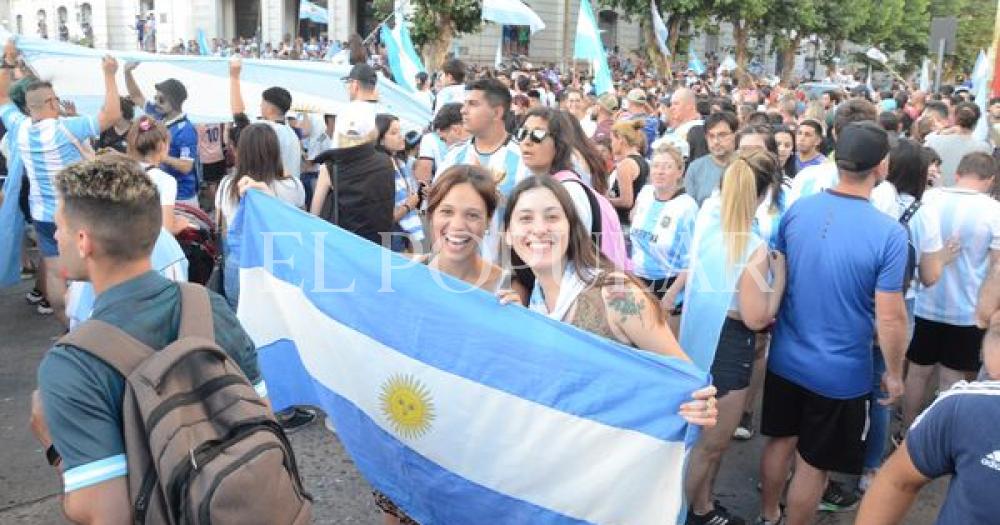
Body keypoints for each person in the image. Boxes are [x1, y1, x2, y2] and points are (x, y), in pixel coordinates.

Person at [30, 155, 264, 523]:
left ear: (82, 240)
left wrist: (52, 445)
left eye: (59, 227)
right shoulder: (210, 306)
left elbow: (107, 515)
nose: (54, 236)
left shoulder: (72, 365)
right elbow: (262, 416)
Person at [757, 122, 909, 525]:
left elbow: (779, 273)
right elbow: (891, 316)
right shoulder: (889, 234)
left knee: (779, 441)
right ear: (881, 166)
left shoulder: (799, 209)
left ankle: (768, 515)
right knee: (813, 465)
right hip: (840, 373)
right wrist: (894, 374)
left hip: (786, 356)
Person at [497, 175, 718, 423]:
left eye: (552, 217)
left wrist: (703, 404)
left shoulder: (616, 293)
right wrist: (518, 326)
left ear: (571, 227)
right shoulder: (533, 302)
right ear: (507, 234)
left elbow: (687, 379)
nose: (539, 229)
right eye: (526, 218)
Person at [682, 149, 787, 525]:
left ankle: (702, 507)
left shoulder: (709, 221)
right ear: (762, 195)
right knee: (710, 446)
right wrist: (781, 280)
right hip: (730, 346)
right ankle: (683, 513)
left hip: (700, 339)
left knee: (701, 442)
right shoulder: (754, 247)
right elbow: (757, 317)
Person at [0, 42, 122, 327]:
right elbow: (112, 115)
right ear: (53, 103)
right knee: (88, 269)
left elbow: (3, 96)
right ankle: (92, 322)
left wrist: (6, 61)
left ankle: (65, 323)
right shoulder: (66, 127)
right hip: (76, 213)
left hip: (42, 215)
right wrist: (110, 74)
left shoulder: (19, 127)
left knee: (55, 272)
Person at [854, 319, 1000, 524]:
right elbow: (896, 482)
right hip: (957, 320)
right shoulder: (964, 408)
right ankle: (911, 436)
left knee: (919, 374)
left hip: (932, 316)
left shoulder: (962, 406)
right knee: (941, 379)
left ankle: (907, 431)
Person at [901, 152, 1000, 432]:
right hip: (967, 311)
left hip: (924, 303)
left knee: (917, 374)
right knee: (952, 380)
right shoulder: (994, 211)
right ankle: (938, 437)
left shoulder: (930, 198)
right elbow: (997, 267)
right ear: (990, 180)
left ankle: (907, 433)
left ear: (958, 173)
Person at [517, 108, 630, 270]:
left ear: (559, 143)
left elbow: (569, 260)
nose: (527, 141)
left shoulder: (569, 191)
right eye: (522, 133)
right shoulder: (543, 186)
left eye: (538, 135)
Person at [438, 78, 530, 261]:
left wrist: (489, 191)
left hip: (503, 274)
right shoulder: (453, 156)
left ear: (496, 112)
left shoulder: (523, 160)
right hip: (454, 270)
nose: (463, 110)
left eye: (472, 104)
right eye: (464, 104)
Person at [310, 103, 395, 246]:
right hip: (379, 243)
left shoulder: (331, 166)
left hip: (344, 246)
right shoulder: (387, 161)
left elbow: (314, 214)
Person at [628, 143, 697, 316]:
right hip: (638, 280)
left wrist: (671, 295)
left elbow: (691, 259)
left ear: (680, 172)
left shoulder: (686, 207)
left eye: (667, 167)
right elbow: (635, 224)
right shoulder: (645, 193)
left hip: (668, 284)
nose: (660, 172)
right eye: (656, 166)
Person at [124, 62, 199, 206]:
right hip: (161, 191)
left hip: (181, 197)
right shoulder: (158, 115)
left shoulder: (186, 130)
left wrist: (161, 156)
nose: (156, 103)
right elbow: (136, 96)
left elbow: (186, 166)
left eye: (161, 100)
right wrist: (127, 73)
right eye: (155, 98)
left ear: (175, 101)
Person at [785, 98, 878, 205]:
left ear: (834, 133)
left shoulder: (806, 177)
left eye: (807, 134)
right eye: (799, 133)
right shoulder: (882, 192)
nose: (801, 138)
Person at [229, 57, 302, 180]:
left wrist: (234, 76)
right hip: (291, 192)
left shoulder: (268, 129)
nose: (260, 106)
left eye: (262, 103)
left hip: (271, 193)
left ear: (270, 108)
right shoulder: (291, 133)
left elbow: (239, 118)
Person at [126, 116, 191, 235]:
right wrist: (180, 224)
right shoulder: (166, 181)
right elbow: (165, 230)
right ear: (162, 145)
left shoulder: (123, 171)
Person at [376, 113, 424, 252]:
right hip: (392, 235)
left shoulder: (399, 163)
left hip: (403, 234)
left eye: (400, 131)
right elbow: (384, 216)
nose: (401, 136)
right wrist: (409, 204)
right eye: (394, 132)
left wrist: (417, 198)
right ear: (380, 140)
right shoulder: (382, 168)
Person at [924, 102, 992, 186]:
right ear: (977, 122)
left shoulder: (932, 140)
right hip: (967, 194)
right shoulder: (983, 148)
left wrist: (941, 132)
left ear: (954, 117)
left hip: (934, 192)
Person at [685, 111, 738, 207]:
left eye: (722, 135)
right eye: (711, 136)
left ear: (735, 135)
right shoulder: (695, 168)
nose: (716, 141)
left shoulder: (746, 165)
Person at [607, 120, 649, 228]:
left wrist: (603, 200)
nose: (611, 145)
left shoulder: (625, 165)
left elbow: (626, 201)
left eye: (612, 140)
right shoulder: (642, 161)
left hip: (623, 224)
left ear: (621, 140)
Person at [413, 103, 465, 185]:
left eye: (444, 139)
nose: (446, 144)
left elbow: (423, 175)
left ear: (456, 130)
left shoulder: (458, 154)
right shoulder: (456, 153)